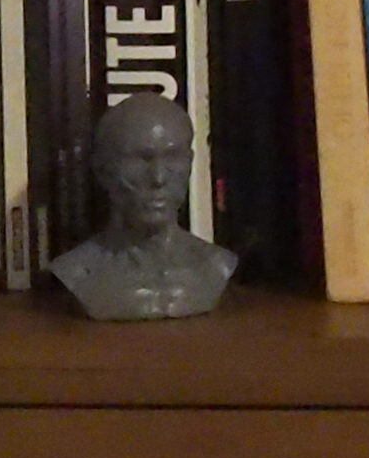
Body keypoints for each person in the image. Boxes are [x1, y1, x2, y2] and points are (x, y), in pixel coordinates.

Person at [47, 88, 238, 321]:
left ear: (189, 163)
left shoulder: (217, 265)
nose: (158, 178)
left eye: (173, 157)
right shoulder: (76, 272)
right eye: (139, 159)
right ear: (102, 170)